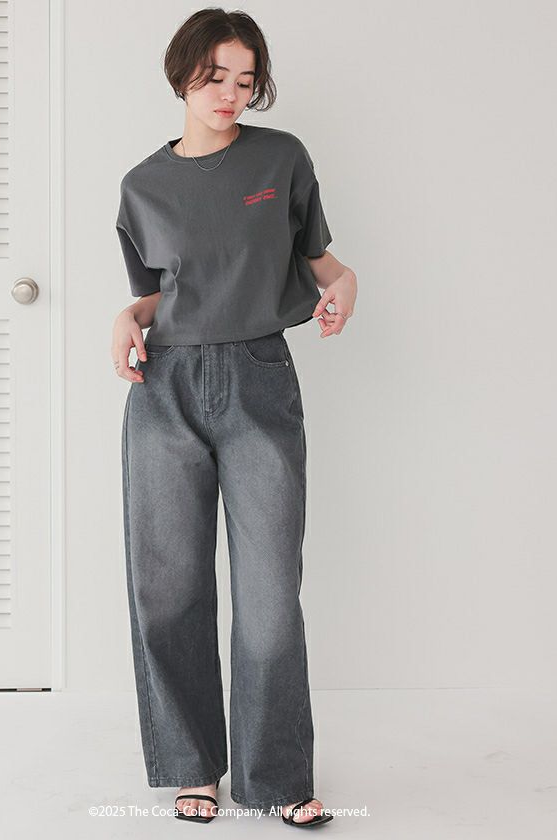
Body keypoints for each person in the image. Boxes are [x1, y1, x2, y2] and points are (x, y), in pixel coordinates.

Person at [112, 8, 356, 829]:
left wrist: (345, 285)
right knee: (168, 588)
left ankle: (277, 775)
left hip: (259, 380)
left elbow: (324, 263)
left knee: (270, 593)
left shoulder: (281, 159)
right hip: (165, 387)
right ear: (182, 72)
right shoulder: (141, 186)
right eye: (215, 75)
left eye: (245, 80)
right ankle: (191, 768)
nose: (230, 93)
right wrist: (126, 316)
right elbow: (161, 293)